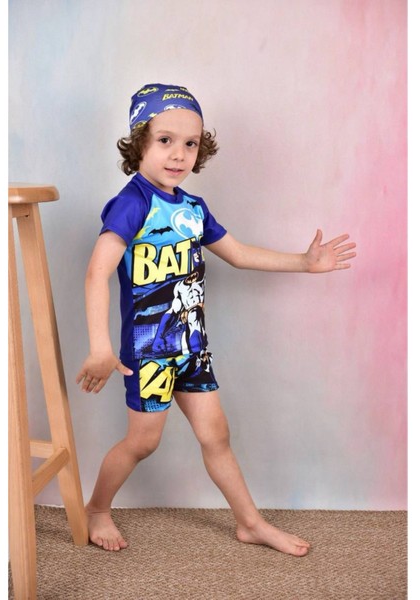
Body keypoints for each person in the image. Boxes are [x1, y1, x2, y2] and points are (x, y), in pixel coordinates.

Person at [76, 83, 356, 555]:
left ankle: (250, 523)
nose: (179, 153)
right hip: (149, 350)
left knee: (216, 436)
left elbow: (239, 254)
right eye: (165, 140)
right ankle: (97, 508)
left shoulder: (192, 208)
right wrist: (100, 346)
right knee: (143, 443)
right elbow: (96, 273)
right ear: (139, 142)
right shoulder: (132, 203)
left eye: (190, 143)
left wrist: (303, 263)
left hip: (192, 346)